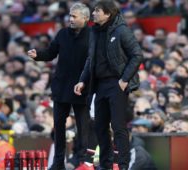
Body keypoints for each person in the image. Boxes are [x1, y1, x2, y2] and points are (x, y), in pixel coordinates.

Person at [74, 1, 143, 169]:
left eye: (97, 11)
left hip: (117, 83)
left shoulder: (122, 31)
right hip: (99, 85)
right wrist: (83, 80)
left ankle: (123, 166)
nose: (94, 14)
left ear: (108, 14)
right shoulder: (95, 32)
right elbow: (91, 60)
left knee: (118, 127)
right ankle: (106, 165)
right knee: (100, 127)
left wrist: (124, 80)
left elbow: (137, 55)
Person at [27, 3, 91, 170]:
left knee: (83, 127)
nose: (70, 19)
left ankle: (83, 161)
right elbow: (51, 52)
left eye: (74, 16)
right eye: (70, 15)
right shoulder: (62, 34)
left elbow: (95, 62)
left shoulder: (93, 36)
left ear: (85, 18)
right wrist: (38, 55)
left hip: (81, 87)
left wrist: (88, 82)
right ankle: (58, 162)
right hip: (61, 86)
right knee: (59, 127)